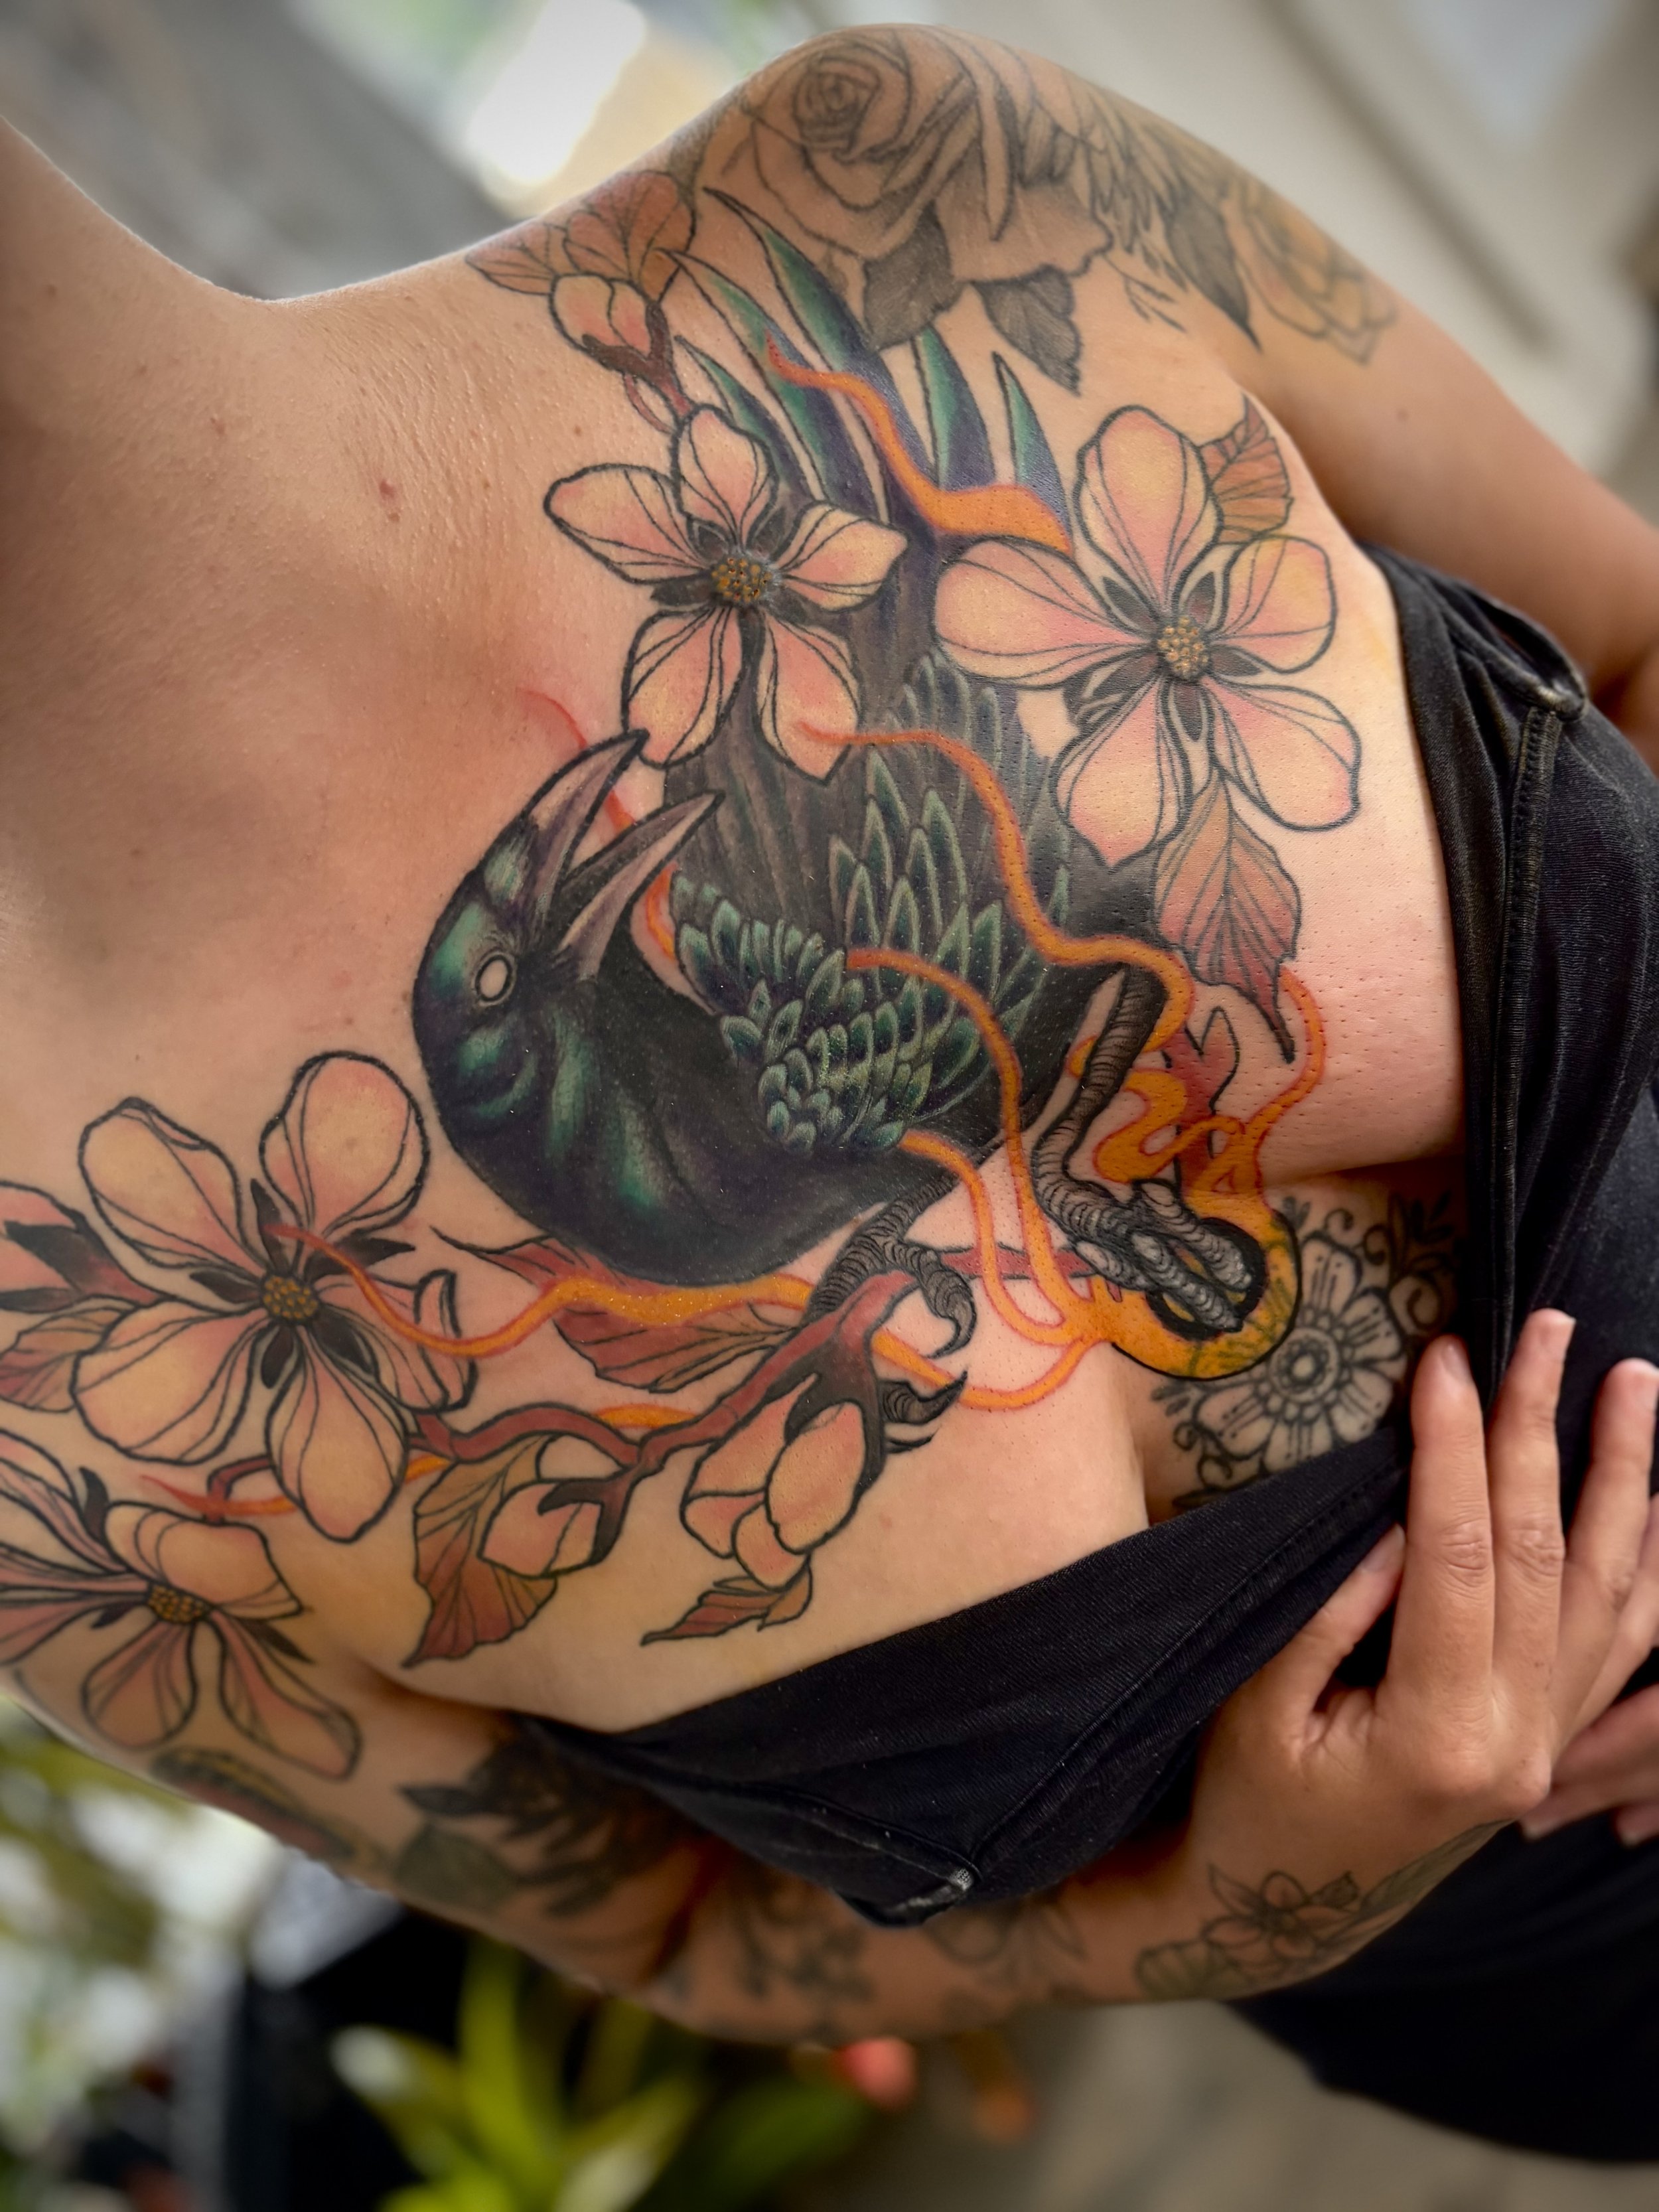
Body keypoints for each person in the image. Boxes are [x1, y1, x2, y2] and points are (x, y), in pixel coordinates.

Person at [5, 26, 1659, 2154]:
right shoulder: (67, 1451)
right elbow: (679, 1936)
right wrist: (1236, 1901)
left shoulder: (908, 201)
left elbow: (1626, 628)